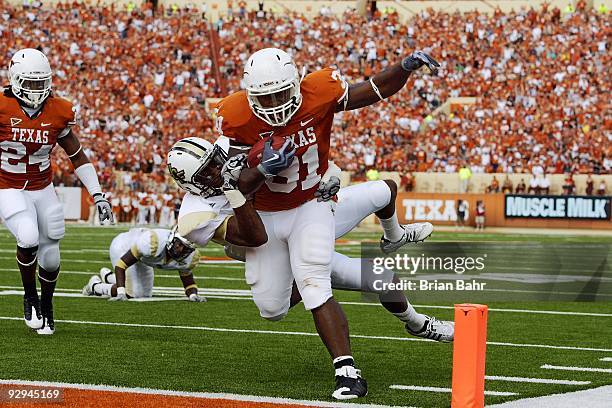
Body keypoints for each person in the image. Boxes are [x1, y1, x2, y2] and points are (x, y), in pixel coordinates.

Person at [215, 48, 439, 399]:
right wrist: (260, 170)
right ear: (249, 93)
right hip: (268, 216)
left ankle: (347, 372)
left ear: (297, 83)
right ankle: (333, 275)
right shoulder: (235, 115)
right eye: (264, 96)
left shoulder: (320, 90)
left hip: (311, 204)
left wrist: (403, 68)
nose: (274, 102)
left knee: (314, 279)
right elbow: (232, 186)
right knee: (271, 308)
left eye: (281, 93)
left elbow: (373, 90)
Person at [166, 137, 452, 346]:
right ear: (189, 182)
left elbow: (305, 154)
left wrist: (331, 174)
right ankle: (418, 324)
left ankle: (395, 236)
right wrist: (236, 190)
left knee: (384, 190)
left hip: (305, 214)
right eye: (208, 172)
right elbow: (251, 237)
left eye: (216, 162)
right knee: (382, 279)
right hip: (270, 247)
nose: (217, 170)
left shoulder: (232, 145)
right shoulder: (195, 215)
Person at [0, 48, 113, 335]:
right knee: (27, 236)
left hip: (42, 186)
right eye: (31, 83)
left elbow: (77, 155)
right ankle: (30, 297)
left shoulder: (59, 110)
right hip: (8, 185)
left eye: (42, 83)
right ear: (14, 79)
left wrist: (97, 194)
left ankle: (48, 305)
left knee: (51, 254)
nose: (37, 90)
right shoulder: (2, 107)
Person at [82, 226, 204, 302]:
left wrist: (193, 295)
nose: (180, 250)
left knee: (145, 294)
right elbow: (121, 265)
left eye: (186, 248)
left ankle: (108, 277)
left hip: (144, 256)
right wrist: (120, 292)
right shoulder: (152, 242)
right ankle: (95, 286)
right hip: (124, 246)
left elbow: (188, 281)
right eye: (179, 245)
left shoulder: (190, 258)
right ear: (172, 239)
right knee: (131, 293)